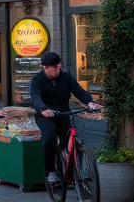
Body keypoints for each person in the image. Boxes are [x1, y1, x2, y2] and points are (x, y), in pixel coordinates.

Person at [29, 51, 100, 185]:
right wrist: (43, 109)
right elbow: (35, 97)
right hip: (46, 116)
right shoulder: (37, 80)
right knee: (49, 138)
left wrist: (90, 102)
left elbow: (79, 91)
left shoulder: (65, 77)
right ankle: (50, 171)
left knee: (72, 141)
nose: (58, 69)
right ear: (45, 67)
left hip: (63, 113)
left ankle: (73, 173)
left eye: (59, 66)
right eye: (55, 67)